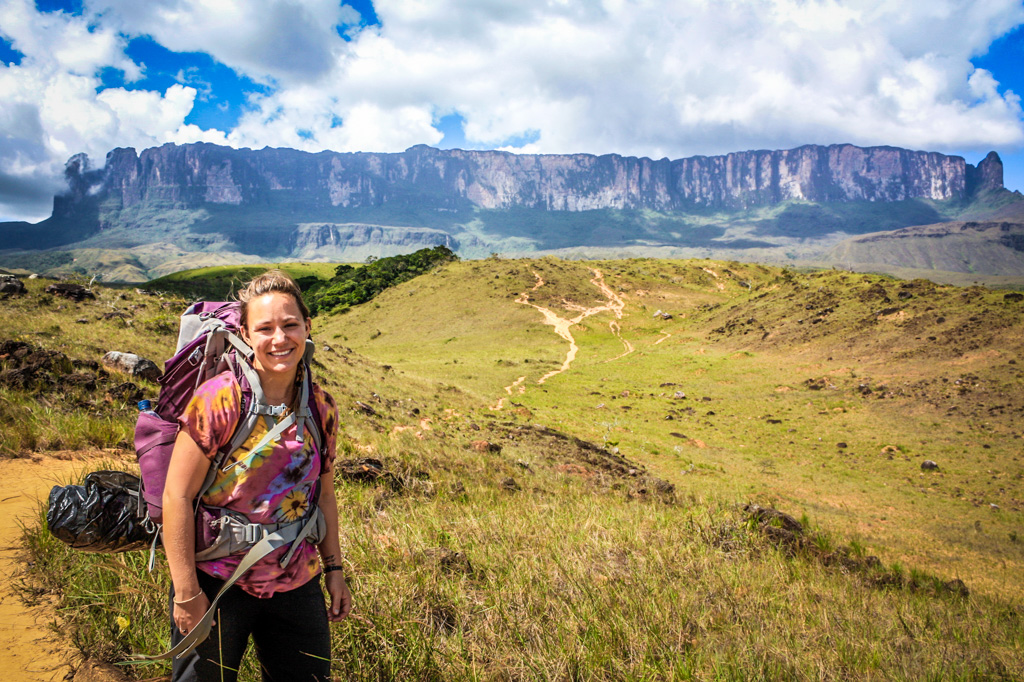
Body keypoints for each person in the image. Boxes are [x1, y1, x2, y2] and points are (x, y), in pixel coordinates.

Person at [162, 270, 352, 682]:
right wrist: (186, 592)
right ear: (246, 334)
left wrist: (334, 571)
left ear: (307, 327)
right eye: (265, 328)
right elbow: (176, 496)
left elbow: (324, 494)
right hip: (216, 583)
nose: (280, 338)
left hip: (297, 580)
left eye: (290, 325)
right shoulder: (219, 399)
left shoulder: (321, 406)